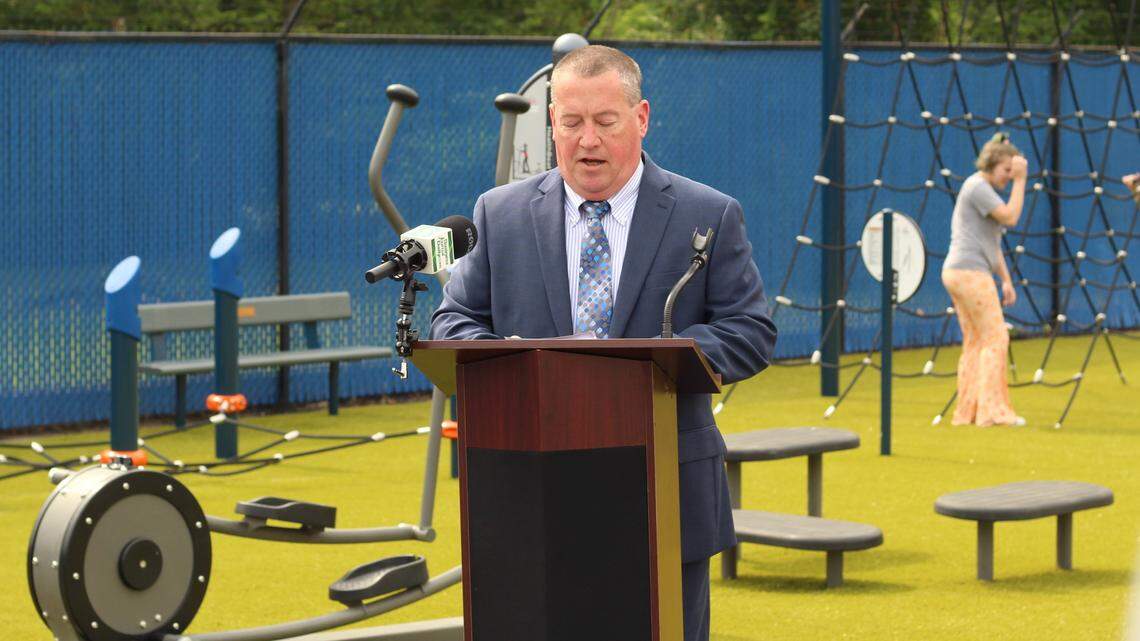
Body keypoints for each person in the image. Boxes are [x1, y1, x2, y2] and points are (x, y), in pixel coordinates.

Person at [430, 45, 776, 641]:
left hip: (663, 493)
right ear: (552, 122)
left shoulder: (708, 214)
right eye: (571, 122)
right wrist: (507, 360)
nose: (587, 140)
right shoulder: (499, 214)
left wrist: (664, 360)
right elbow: (453, 321)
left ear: (641, 118)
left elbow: (750, 330)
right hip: (528, 493)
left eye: (605, 122)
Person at [941, 132, 1027, 427]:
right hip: (970, 272)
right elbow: (1011, 217)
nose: (1009, 176)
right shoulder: (978, 186)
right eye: (1006, 170)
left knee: (976, 342)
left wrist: (1006, 280)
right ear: (991, 164)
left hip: (959, 271)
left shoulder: (981, 189)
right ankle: (992, 412)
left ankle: (968, 412)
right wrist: (1021, 181)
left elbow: (991, 244)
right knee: (996, 338)